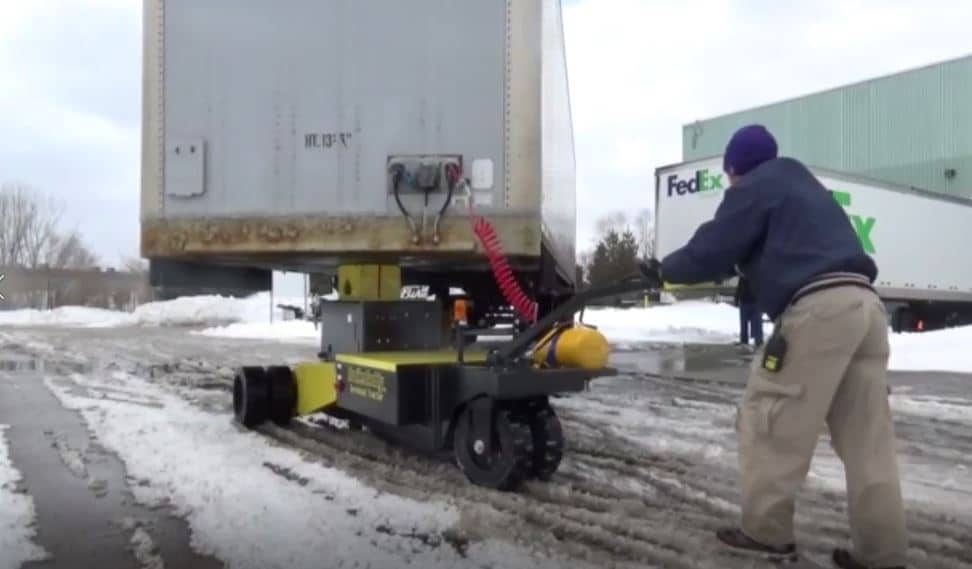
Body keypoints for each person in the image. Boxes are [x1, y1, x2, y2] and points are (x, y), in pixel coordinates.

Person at [658, 124, 908, 569]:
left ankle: (766, 535)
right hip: (866, 307)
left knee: (769, 421)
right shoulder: (805, 187)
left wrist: (663, 270)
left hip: (818, 310)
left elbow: (713, 248)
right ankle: (883, 555)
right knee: (868, 441)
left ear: (734, 168)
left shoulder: (755, 186)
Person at [734, 274, 763, 348]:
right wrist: (736, 298)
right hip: (744, 301)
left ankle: (758, 342)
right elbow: (740, 287)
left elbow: (763, 287)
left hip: (755, 302)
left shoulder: (757, 273)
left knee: (756, 323)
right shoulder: (743, 275)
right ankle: (744, 341)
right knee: (744, 323)